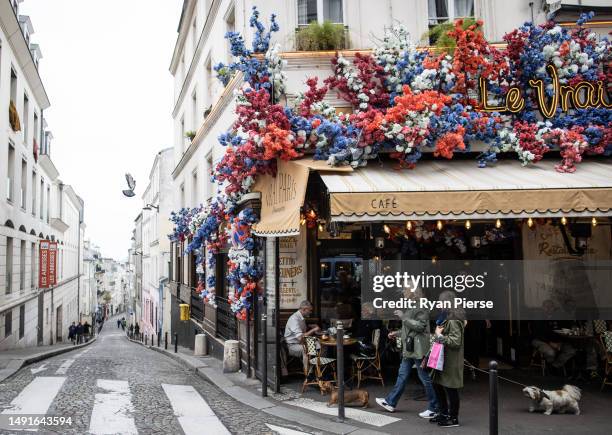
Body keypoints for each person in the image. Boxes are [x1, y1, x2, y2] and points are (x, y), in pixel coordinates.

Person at [376, 286, 439, 418]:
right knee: (403, 375)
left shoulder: (421, 304)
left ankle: (435, 407)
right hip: (411, 348)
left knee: (425, 378)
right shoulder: (414, 305)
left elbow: (421, 326)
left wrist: (403, 316)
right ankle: (390, 402)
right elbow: (410, 328)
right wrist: (397, 333)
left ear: (413, 292)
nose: (403, 292)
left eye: (405, 289)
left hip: (417, 348)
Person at [430, 290, 466, 428]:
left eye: (440, 301)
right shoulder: (445, 316)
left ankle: (453, 418)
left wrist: (439, 336)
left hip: (450, 360)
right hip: (442, 358)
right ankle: (444, 413)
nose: (438, 303)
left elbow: (456, 341)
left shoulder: (454, 318)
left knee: (451, 388)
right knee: (437, 384)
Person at [284, 300, 320, 366]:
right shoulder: (294, 319)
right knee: (307, 349)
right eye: (310, 310)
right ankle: (309, 373)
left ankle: (318, 368)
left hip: (300, 342)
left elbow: (300, 330)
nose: (311, 312)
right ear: (304, 309)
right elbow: (300, 338)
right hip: (292, 346)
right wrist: (314, 329)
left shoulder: (301, 317)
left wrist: (310, 326)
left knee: (319, 344)